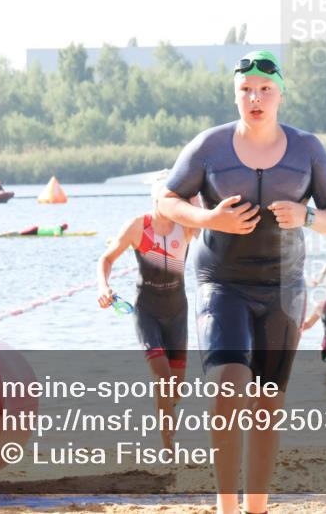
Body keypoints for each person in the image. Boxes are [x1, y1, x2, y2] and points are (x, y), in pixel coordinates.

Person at [157, 50, 326, 514]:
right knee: (228, 386)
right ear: (235, 95)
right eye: (246, 90)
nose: (255, 98)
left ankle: (257, 508)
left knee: (266, 404)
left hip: (283, 287)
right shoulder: (209, 146)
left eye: (265, 90)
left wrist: (307, 216)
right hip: (221, 283)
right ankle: (227, 507)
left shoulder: (308, 149)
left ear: (281, 95)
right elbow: (167, 200)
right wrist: (208, 218)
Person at [96, 171, 197, 449]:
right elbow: (106, 259)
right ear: (153, 200)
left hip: (178, 311)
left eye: (172, 199)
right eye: (162, 199)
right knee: (162, 377)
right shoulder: (138, 226)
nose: (167, 206)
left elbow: (203, 217)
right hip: (148, 311)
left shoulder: (185, 225)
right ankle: (167, 443)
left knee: (176, 389)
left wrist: (191, 193)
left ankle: (164, 412)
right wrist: (103, 288)